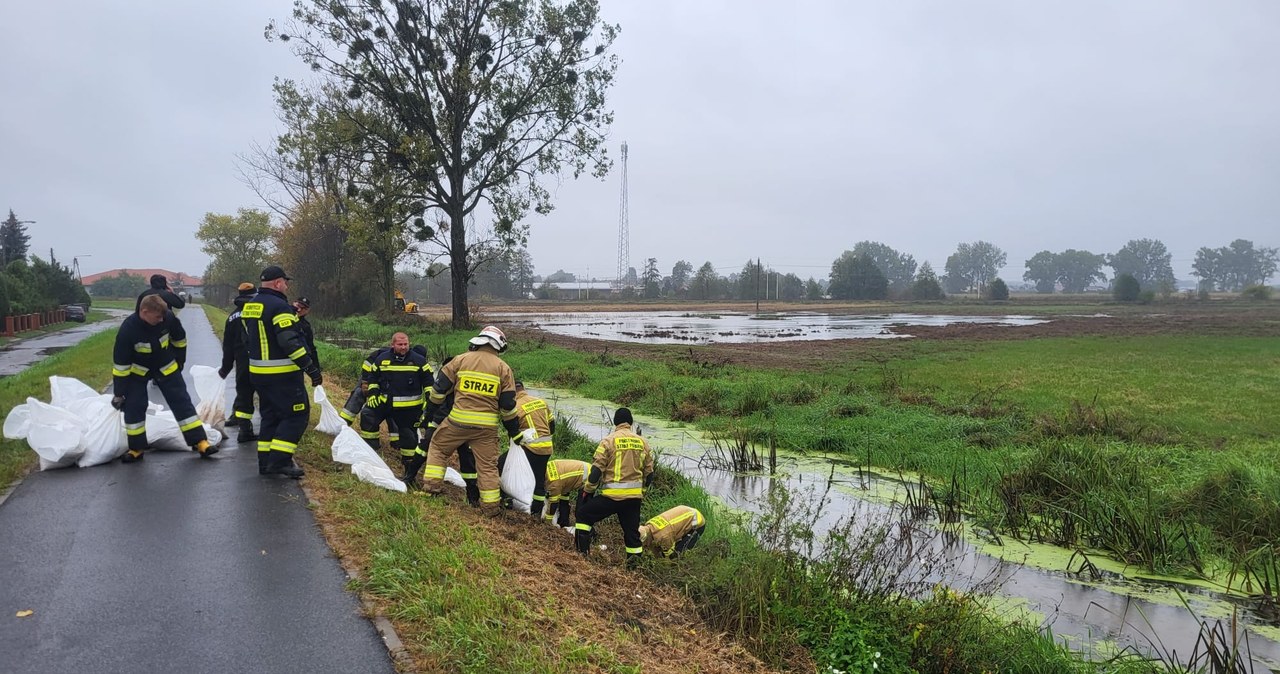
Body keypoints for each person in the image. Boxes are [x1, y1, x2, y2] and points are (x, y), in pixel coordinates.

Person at [419, 326, 520, 512]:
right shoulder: (503, 368)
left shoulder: (460, 360)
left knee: (438, 447)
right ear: (498, 346)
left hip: (457, 422)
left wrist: (429, 415)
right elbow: (508, 406)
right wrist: (515, 433)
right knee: (488, 467)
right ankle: (490, 508)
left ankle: (432, 488)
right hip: (486, 429)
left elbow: (438, 391)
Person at [240, 265, 321, 478]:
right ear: (277, 283)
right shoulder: (280, 307)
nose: (286, 285)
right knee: (297, 415)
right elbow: (289, 342)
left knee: (270, 416)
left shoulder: (251, 305)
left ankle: (265, 462)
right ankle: (280, 461)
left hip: (258, 373)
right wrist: (310, 368)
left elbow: (247, 338)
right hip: (281, 375)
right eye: (286, 282)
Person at [112, 294, 213, 462]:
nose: (161, 320)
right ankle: (136, 449)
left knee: (182, 402)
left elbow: (180, 340)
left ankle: (200, 442)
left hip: (165, 366)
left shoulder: (168, 318)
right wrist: (119, 393)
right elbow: (121, 364)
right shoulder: (128, 329)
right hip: (138, 373)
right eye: (157, 316)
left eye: (163, 316)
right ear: (144, 312)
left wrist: (179, 363)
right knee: (134, 406)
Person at [575, 408, 654, 568]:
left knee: (583, 515)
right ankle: (634, 567)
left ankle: (581, 555)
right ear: (631, 423)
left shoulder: (608, 441)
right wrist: (642, 493)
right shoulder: (643, 443)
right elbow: (649, 474)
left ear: (615, 423)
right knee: (632, 533)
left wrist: (588, 490)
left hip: (611, 497)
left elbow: (596, 471)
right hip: (633, 499)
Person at [358, 333, 433, 480]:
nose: (404, 347)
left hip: (409, 409)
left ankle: (409, 473)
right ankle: (371, 453)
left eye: (406, 344)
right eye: (400, 345)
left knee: (409, 438)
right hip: (384, 403)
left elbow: (429, 383)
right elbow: (372, 377)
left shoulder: (419, 361)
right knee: (368, 416)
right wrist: (373, 394)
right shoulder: (382, 359)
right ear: (393, 345)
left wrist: (429, 403)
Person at [506, 381, 555, 519]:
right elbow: (552, 426)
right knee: (539, 480)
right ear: (524, 389)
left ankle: (508, 500)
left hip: (530, 448)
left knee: (507, 469)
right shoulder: (541, 401)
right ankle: (536, 512)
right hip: (546, 448)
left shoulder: (516, 406)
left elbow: (513, 432)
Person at [218, 282, 258, 442]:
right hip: (260, 359)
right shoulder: (258, 313)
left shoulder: (232, 317)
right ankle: (256, 430)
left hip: (242, 361)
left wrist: (225, 367)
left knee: (244, 392)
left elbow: (227, 345)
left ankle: (242, 426)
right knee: (264, 393)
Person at [639, 506, 706, 558]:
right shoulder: (649, 524)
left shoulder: (664, 536)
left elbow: (667, 558)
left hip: (696, 521)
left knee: (677, 553)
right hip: (685, 512)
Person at [543, 459, 591, 527]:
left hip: (590, 479)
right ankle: (564, 522)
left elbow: (553, 503)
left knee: (580, 511)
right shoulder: (546, 466)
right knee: (564, 499)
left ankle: (586, 532)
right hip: (570, 476)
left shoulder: (554, 484)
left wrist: (548, 521)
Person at [293, 297, 318, 365]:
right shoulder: (283, 317)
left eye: (304, 308)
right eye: (298, 306)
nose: (299, 310)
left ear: (307, 311)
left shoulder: (306, 326)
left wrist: (316, 368)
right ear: (293, 303)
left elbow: (310, 346)